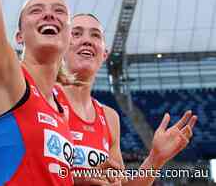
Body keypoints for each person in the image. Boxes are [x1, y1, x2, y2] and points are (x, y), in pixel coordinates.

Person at [55, 13, 198, 185]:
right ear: (60, 46)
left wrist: (155, 160)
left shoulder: (109, 118)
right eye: (76, 33)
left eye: (95, 35)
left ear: (104, 54)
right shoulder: (40, 99)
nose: (87, 40)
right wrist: (79, 180)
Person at [0, 0, 75, 185]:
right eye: (36, 11)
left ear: (69, 35)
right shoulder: (6, 79)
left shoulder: (62, 109)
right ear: (19, 36)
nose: (49, 15)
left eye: (59, 11)